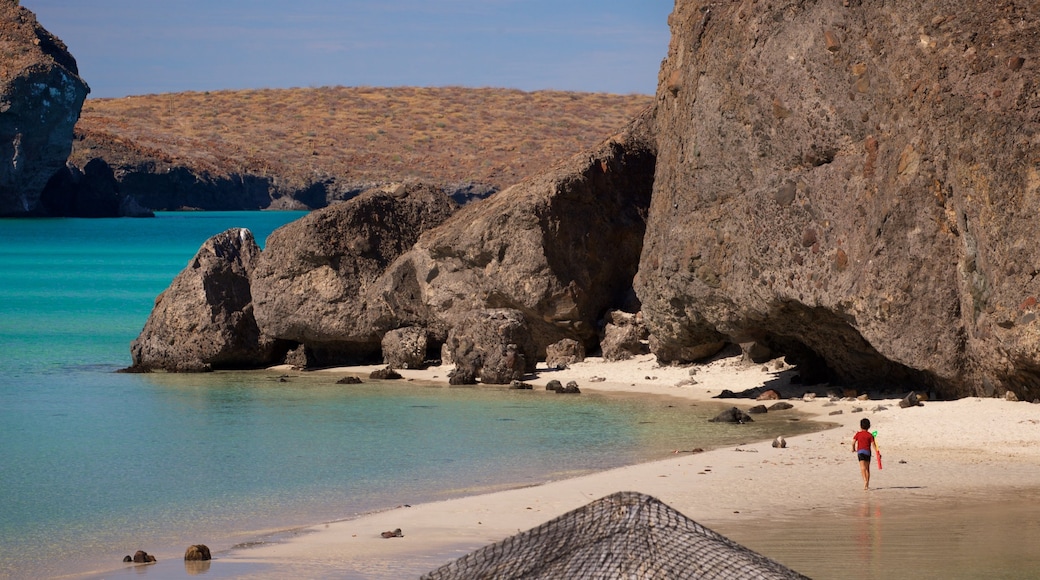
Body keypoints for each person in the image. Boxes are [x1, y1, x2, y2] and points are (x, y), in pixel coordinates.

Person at [852, 418, 880, 490]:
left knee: (862, 467)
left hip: (860, 452)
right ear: (869, 426)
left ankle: (864, 481)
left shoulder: (858, 434)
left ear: (860, 426)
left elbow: (853, 442)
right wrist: (877, 452)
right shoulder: (870, 435)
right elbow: (874, 445)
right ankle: (867, 484)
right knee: (867, 469)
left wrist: (853, 448)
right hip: (868, 452)